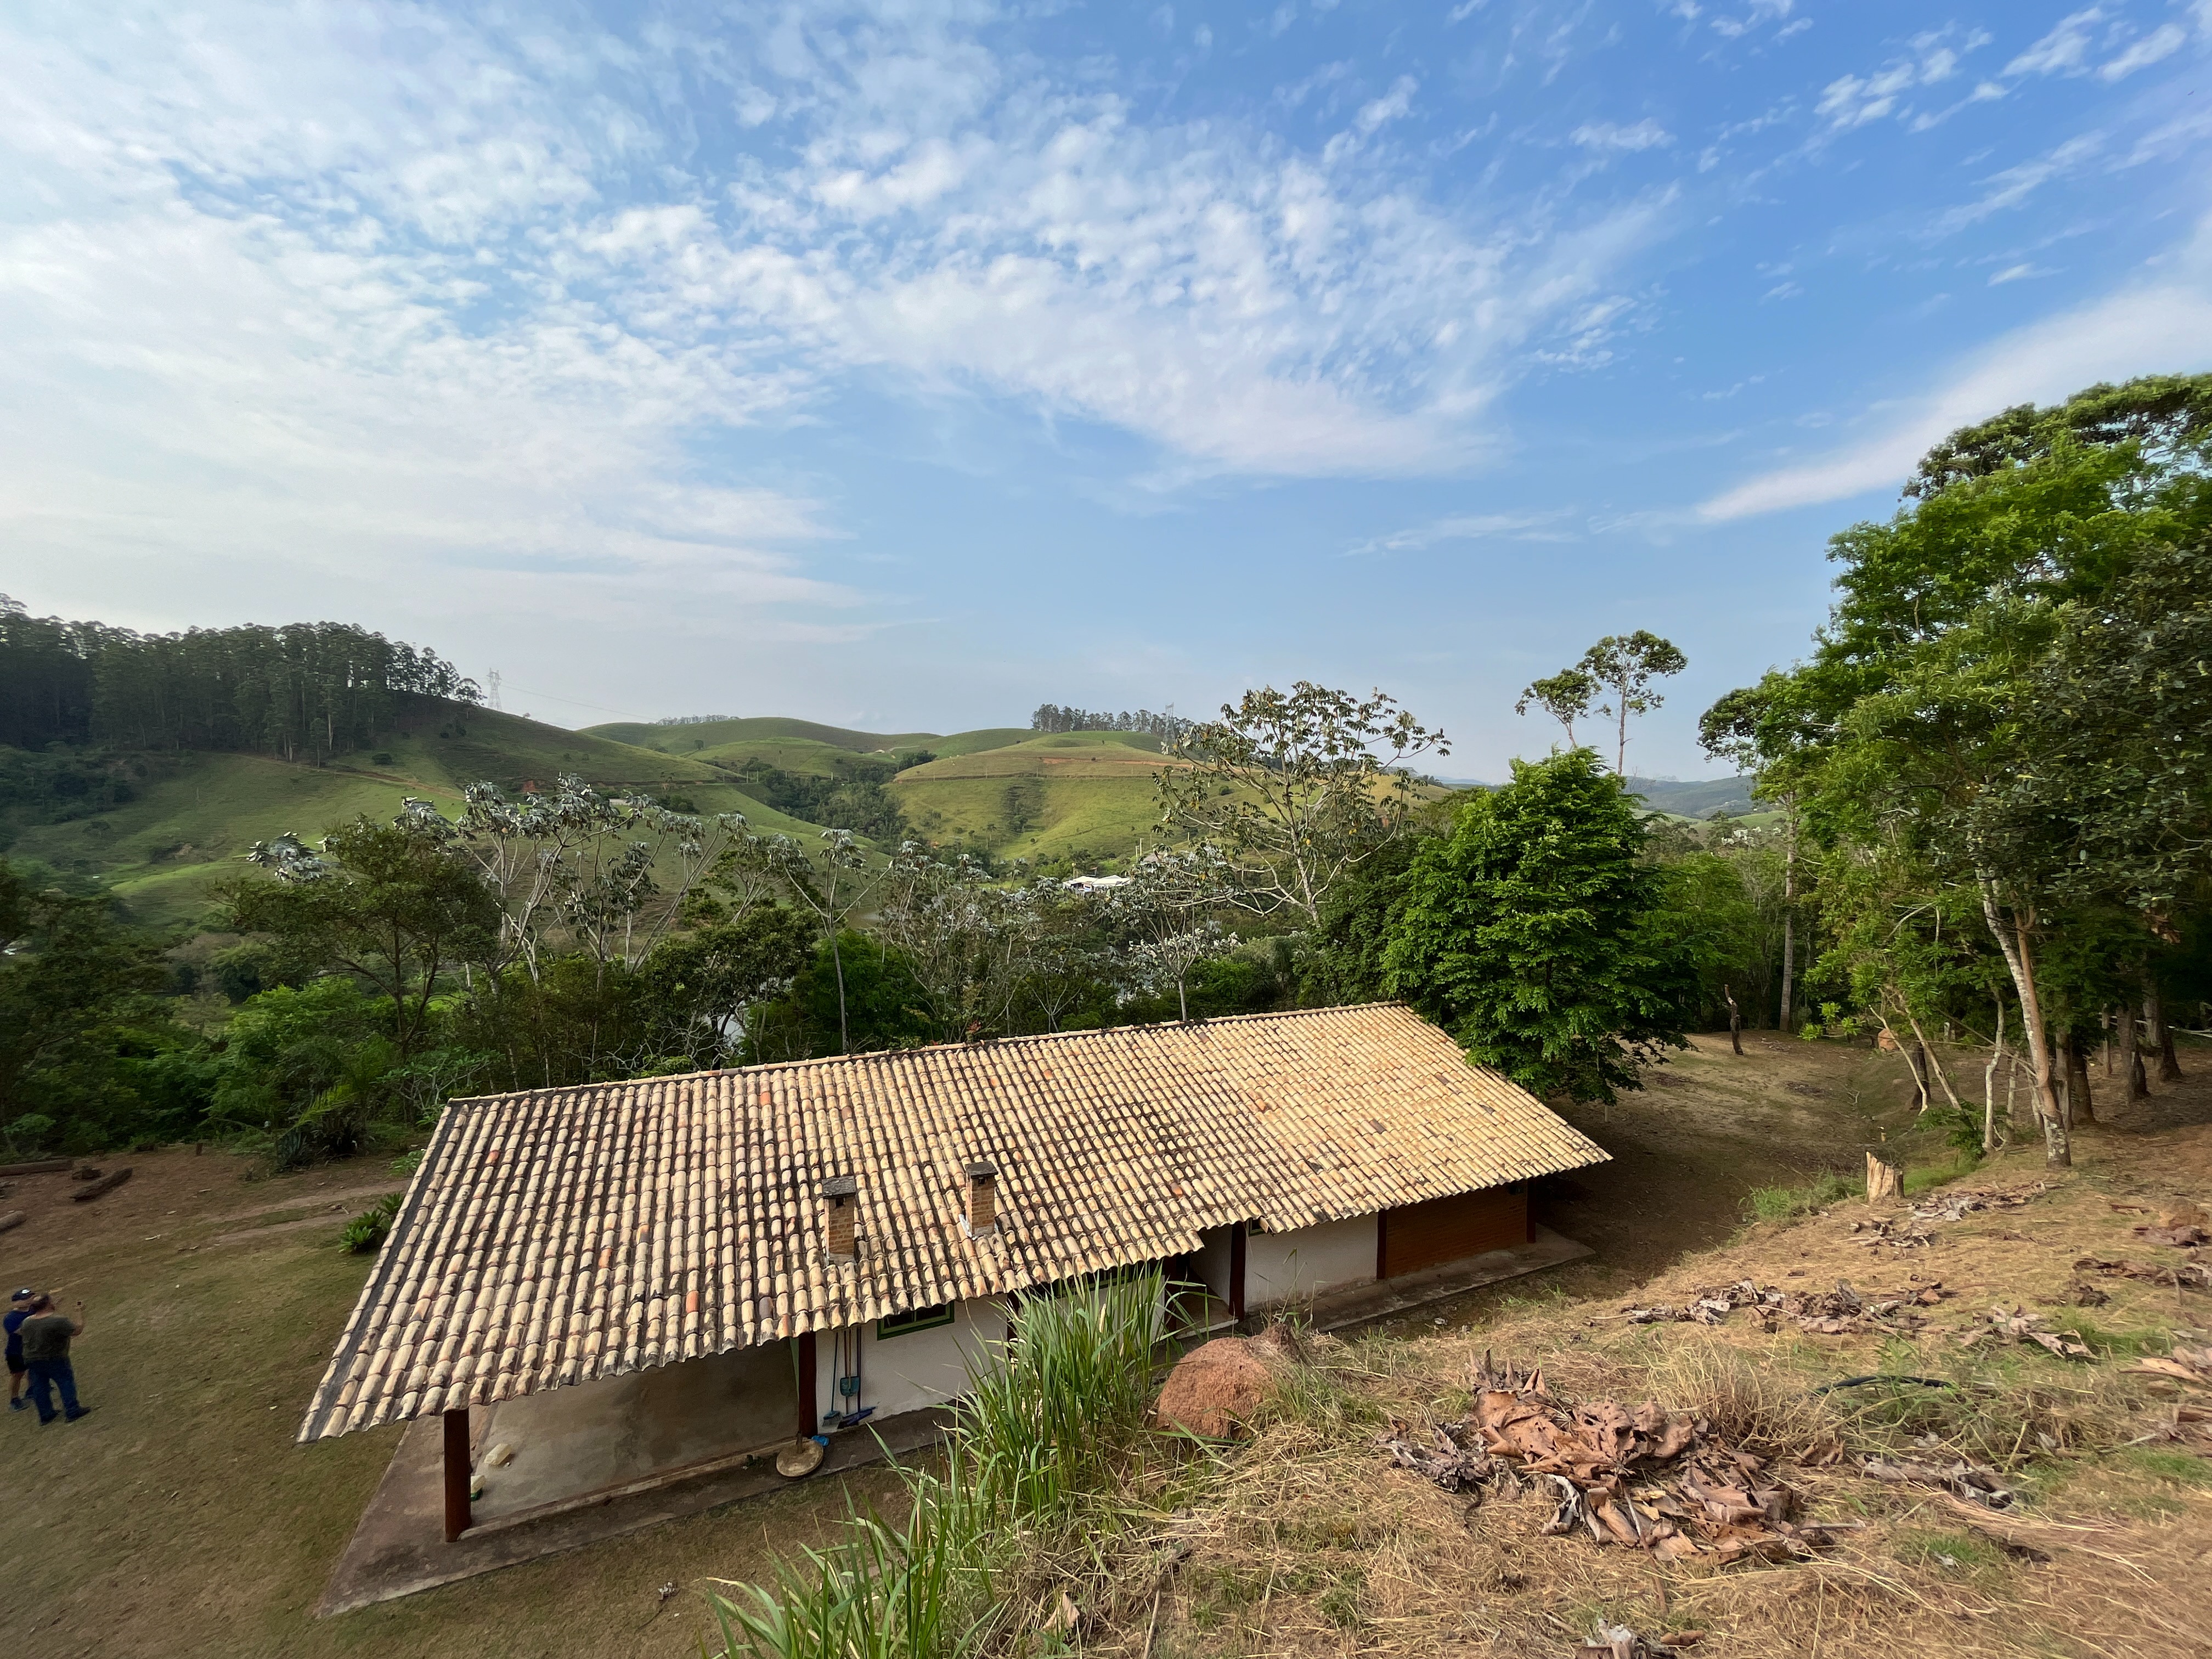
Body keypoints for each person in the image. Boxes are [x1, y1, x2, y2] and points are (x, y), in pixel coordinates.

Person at [17, 1294, 88, 1425]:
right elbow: (77, 1331)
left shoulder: (27, 1321)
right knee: (65, 1383)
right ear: (48, 1304)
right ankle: (72, 1411)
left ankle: (46, 1415)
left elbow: (24, 1332)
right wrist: (79, 1313)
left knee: (40, 1388)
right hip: (55, 1358)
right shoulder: (58, 1321)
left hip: (32, 1360)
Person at [4, 1290, 30, 1412]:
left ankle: (33, 1390)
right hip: (15, 1352)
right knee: (17, 1375)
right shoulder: (10, 1318)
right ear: (15, 1303)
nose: (28, 1300)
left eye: (30, 1297)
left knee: (33, 1369)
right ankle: (14, 1399)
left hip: (30, 1349)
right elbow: (19, 1332)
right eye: (24, 1299)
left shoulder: (33, 1310)